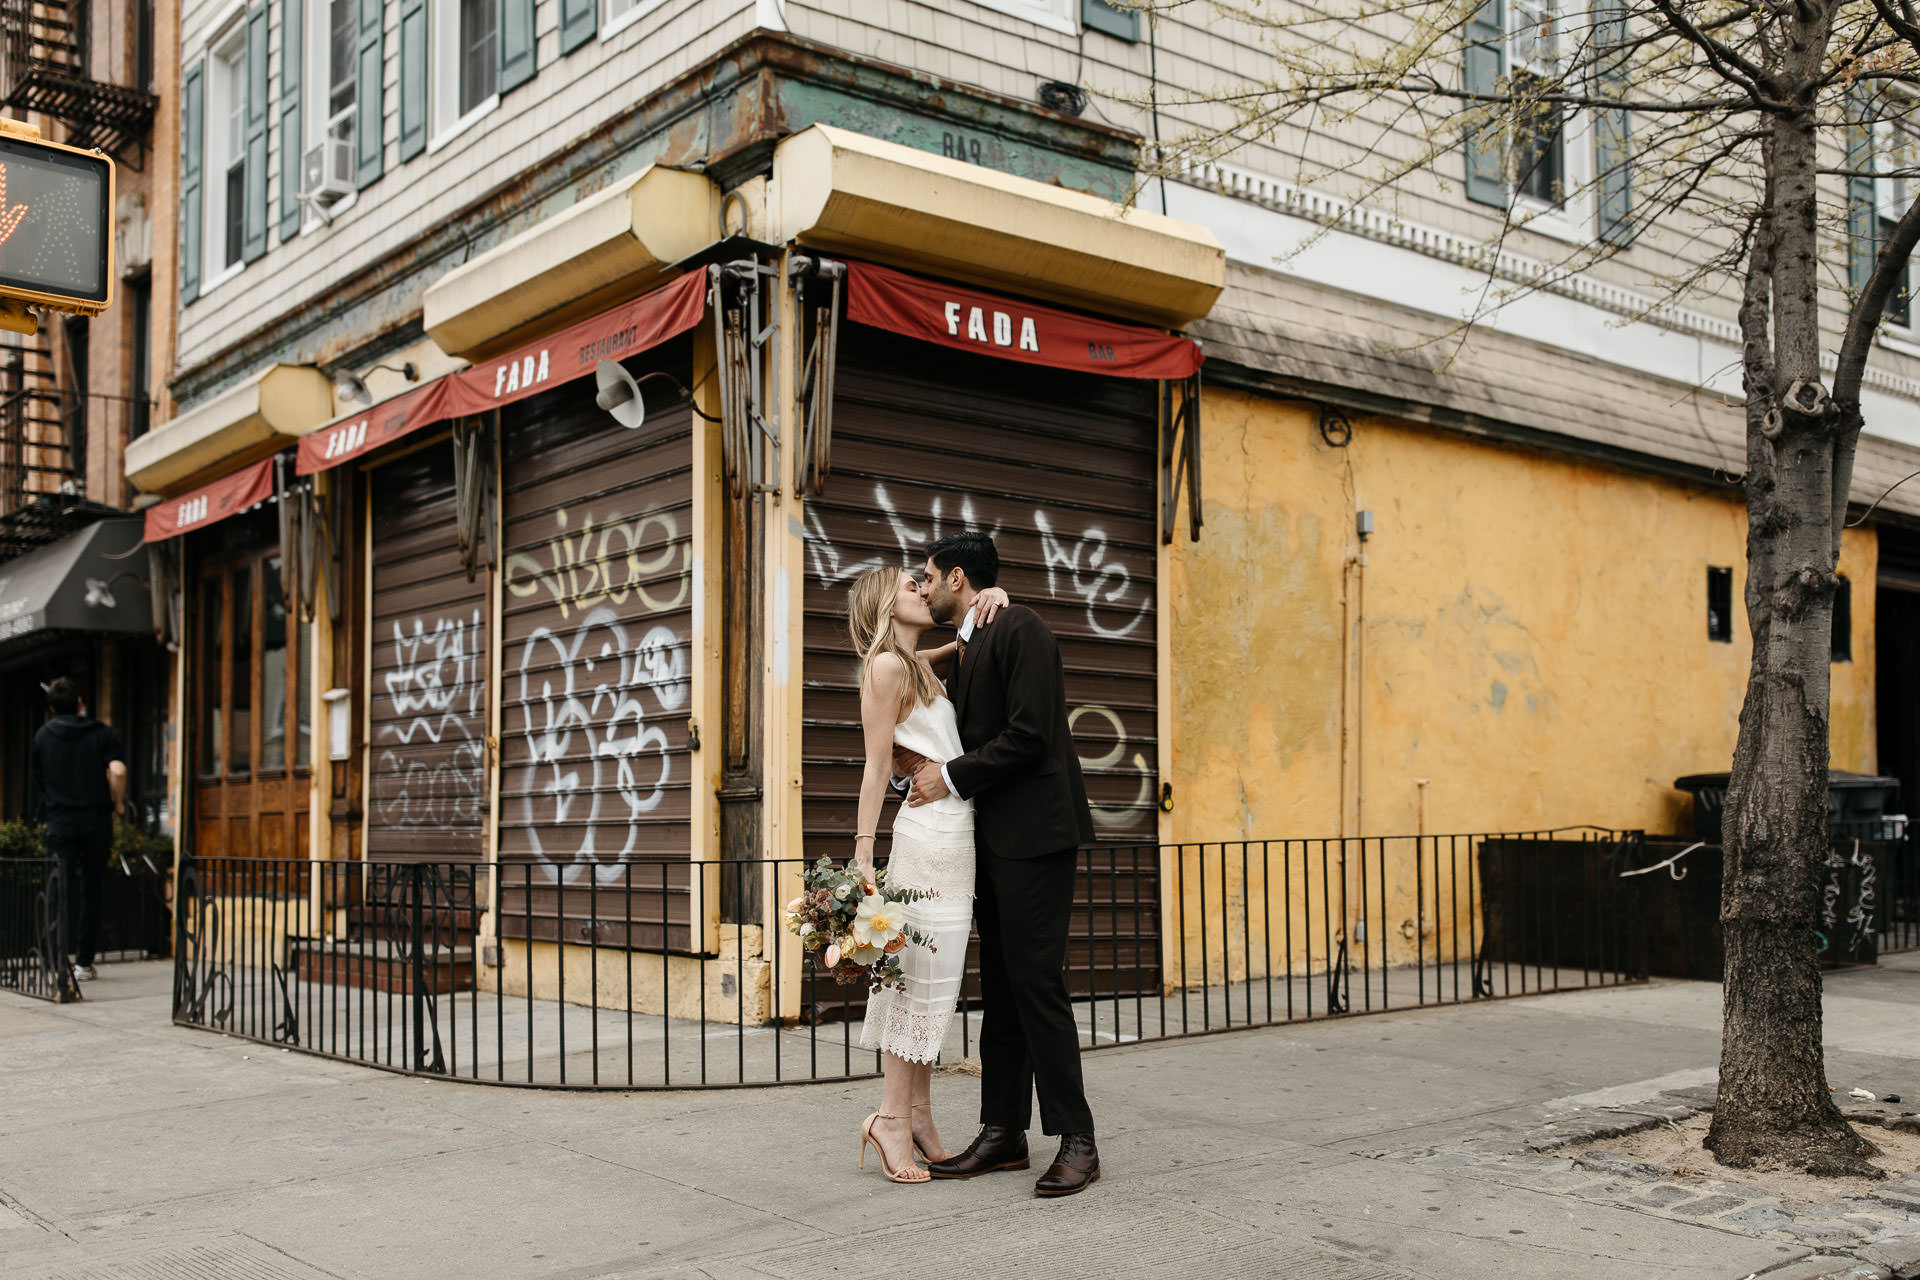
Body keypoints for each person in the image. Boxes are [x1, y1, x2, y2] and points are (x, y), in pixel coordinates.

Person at [902, 530, 1101, 1198]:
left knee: (1037, 983)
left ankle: (1078, 1140)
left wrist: (948, 778)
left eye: (926, 578)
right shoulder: (966, 643)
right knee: (1004, 989)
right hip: (989, 843)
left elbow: (1030, 735)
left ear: (957, 579)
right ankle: (1004, 1134)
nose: (920, 588)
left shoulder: (1023, 628)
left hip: (1037, 836)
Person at [845, 566, 1008, 1183]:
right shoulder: (887, 668)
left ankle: (917, 1115)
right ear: (885, 603)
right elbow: (876, 763)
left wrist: (990, 598)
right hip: (926, 838)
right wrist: (863, 851)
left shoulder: (915, 665)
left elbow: (960, 641)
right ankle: (890, 1117)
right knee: (917, 982)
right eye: (910, 586)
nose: (922, 589)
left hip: (953, 832)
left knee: (935, 984)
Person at [31, 677, 126, 982]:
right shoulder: (101, 732)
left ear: (51, 707)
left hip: (59, 820)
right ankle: (83, 963)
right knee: (91, 890)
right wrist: (118, 804)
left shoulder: (42, 737)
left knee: (57, 891)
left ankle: (55, 962)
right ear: (80, 703)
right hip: (95, 821)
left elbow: (40, 781)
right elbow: (119, 770)